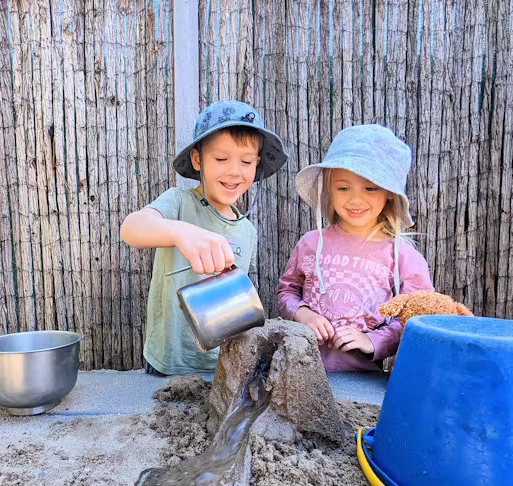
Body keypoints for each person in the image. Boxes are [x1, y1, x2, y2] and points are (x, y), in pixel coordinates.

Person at [120, 100, 288, 375]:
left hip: (222, 366)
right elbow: (131, 228)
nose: (234, 171)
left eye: (245, 161)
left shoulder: (247, 231)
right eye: (221, 159)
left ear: (256, 165)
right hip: (169, 362)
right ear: (198, 160)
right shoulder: (178, 204)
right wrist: (180, 231)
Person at [276, 124, 433, 371]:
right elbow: (286, 292)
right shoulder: (310, 243)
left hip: (363, 386)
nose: (356, 199)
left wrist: (373, 340)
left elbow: (418, 316)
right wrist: (303, 314)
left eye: (370, 187)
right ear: (329, 188)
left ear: (390, 192)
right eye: (343, 187)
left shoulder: (403, 256)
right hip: (300, 372)